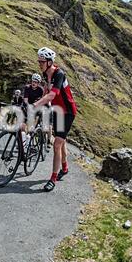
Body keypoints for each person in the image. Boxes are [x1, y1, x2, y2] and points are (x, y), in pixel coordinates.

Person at [32, 47, 77, 192]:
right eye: (39, 61)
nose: (39, 64)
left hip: (68, 112)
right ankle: (65, 167)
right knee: (61, 141)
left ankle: (53, 178)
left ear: (50, 62)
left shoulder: (59, 74)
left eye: (42, 61)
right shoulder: (46, 74)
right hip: (57, 110)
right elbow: (46, 90)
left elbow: (52, 95)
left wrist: (35, 104)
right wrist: (41, 102)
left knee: (57, 144)